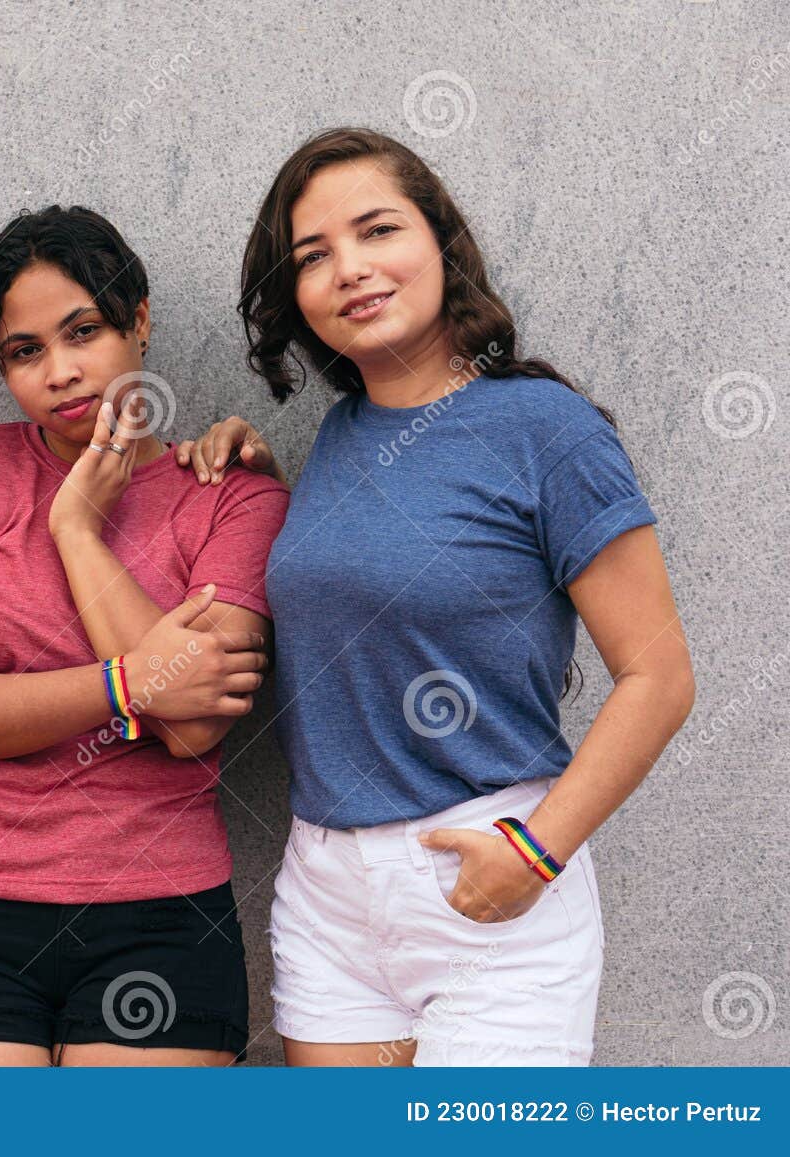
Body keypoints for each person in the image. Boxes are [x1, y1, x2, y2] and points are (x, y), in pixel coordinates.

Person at [175, 127, 695, 1066]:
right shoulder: (335, 440)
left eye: (377, 230)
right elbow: (358, 591)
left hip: (492, 880)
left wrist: (536, 852)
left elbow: (659, 675)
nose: (351, 269)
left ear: (441, 244)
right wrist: (253, 480)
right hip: (328, 892)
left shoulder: (546, 429)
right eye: (314, 256)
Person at [0, 205, 290, 1066]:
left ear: (138, 319)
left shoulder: (233, 493)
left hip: (160, 912)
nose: (61, 372)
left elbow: (196, 724)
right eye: (26, 352)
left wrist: (77, 530)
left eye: (83, 331)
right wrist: (130, 684)